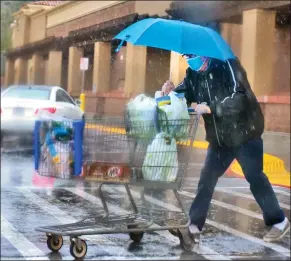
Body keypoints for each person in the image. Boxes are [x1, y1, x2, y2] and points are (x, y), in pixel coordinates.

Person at [160, 54, 290, 243]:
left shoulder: (228, 65)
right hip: (220, 140)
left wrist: (212, 108)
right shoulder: (193, 74)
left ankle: (279, 221)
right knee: (207, 178)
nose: (189, 60)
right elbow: (181, 97)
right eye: (186, 56)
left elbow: (241, 96)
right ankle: (193, 227)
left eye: (192, 56)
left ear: (204, 54)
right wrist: (169, 94)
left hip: (245, 134)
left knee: (254, 177)